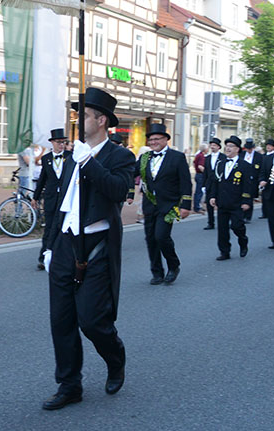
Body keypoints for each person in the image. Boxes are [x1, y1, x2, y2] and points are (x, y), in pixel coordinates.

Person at [41, 87, 133, 410]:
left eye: (84, 116)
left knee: (92, 321)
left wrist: (89, 163)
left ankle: (115, 357)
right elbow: (61, 206)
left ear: (101, 120)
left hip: (96, 246)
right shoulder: (73, 155)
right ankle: (69, 385)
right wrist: (49, 247)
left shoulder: (120, 156)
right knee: (61, 320)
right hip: (65, 243)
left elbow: (118, 191)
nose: (78, 121)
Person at [127, 123, 191, 285]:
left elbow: (185, 182)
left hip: (169, 205)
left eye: (157, 139)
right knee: (150, 239)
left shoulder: (177, 157)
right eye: (151, 139)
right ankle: (157, 272)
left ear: (165, 139)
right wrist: (129, 192)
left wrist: (186, 205)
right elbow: (130, 174)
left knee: (161, 236)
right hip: (149, 204)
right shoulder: (145, 158)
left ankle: (173, 265)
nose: (153, 142)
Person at [206, 136, 254, 261]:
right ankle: (224, 251)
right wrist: (212, 196)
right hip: (222, 201)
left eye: (231, 146)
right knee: (222, 229)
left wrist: (246, 201)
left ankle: (243, 241)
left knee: (237, 226)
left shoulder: (244, 165)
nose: (228, 148)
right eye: (227, 146)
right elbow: (215, 181)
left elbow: (248, 185)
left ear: (237, 149)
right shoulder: (220, 164)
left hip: (237, 202)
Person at [33, 128, 70, 270]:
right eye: (59, 142)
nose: (61, 145)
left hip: (65, 198)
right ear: (52, 143)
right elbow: (42, 179)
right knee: (49, 229)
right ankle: (43, 258)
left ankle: (63, 257)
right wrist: (35, 197)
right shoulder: (46, 158)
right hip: (51, 198)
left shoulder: (70, 156)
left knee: (64, 228)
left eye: (63, 142)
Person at [202, 138, 224, 229]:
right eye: (211, 145)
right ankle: (210, 222)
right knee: (209, 204)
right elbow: (205, 172)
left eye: (214, 145)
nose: (212, 147)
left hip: (220, 184)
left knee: (220, 203)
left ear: (218, 147)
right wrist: (203, 185)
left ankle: (222, 222)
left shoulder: (223, 157)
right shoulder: (207, 158)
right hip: (209, 184)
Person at [241, 139, 263, 222]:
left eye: (250, 149)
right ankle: (242, 214)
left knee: (249, 197)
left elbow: (261, 168)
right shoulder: (242, 154)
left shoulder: (258, 156)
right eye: (247, 148)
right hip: (242, 178)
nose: (249, 150)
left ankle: (248, 216)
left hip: (253, 179)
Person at [192, 143, 208, 214]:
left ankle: (197, 205)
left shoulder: (198, 155)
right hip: (200, 175)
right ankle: (197, 207)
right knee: (199, 192)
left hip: (197, 174)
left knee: (198, 191)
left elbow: (194, 163)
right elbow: (200, 166)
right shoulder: (201, 156)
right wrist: (207, 173)